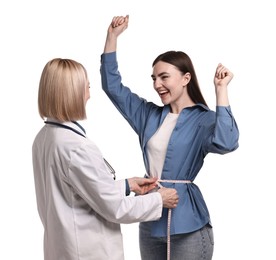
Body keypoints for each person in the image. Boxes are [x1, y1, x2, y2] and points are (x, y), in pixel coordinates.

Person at [100, 15, 239, 260]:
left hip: (188, 225)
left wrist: (221, 91)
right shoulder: (147, 115)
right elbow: (113, 87)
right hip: (150, 217)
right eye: (154, 78)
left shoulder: (203, 119)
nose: (157, 84)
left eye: (164, 77)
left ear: (186, 79)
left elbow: (227, 142)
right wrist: (112, 37)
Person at [32, 58, 179, 260]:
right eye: (86, 87)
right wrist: (159, 200)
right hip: (88, 252)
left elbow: (80, 192)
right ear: (72, 92)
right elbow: (114, 208)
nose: (89, 95)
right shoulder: (77, 148)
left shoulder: (45, 137)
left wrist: (128, 186)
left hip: (62, 248)